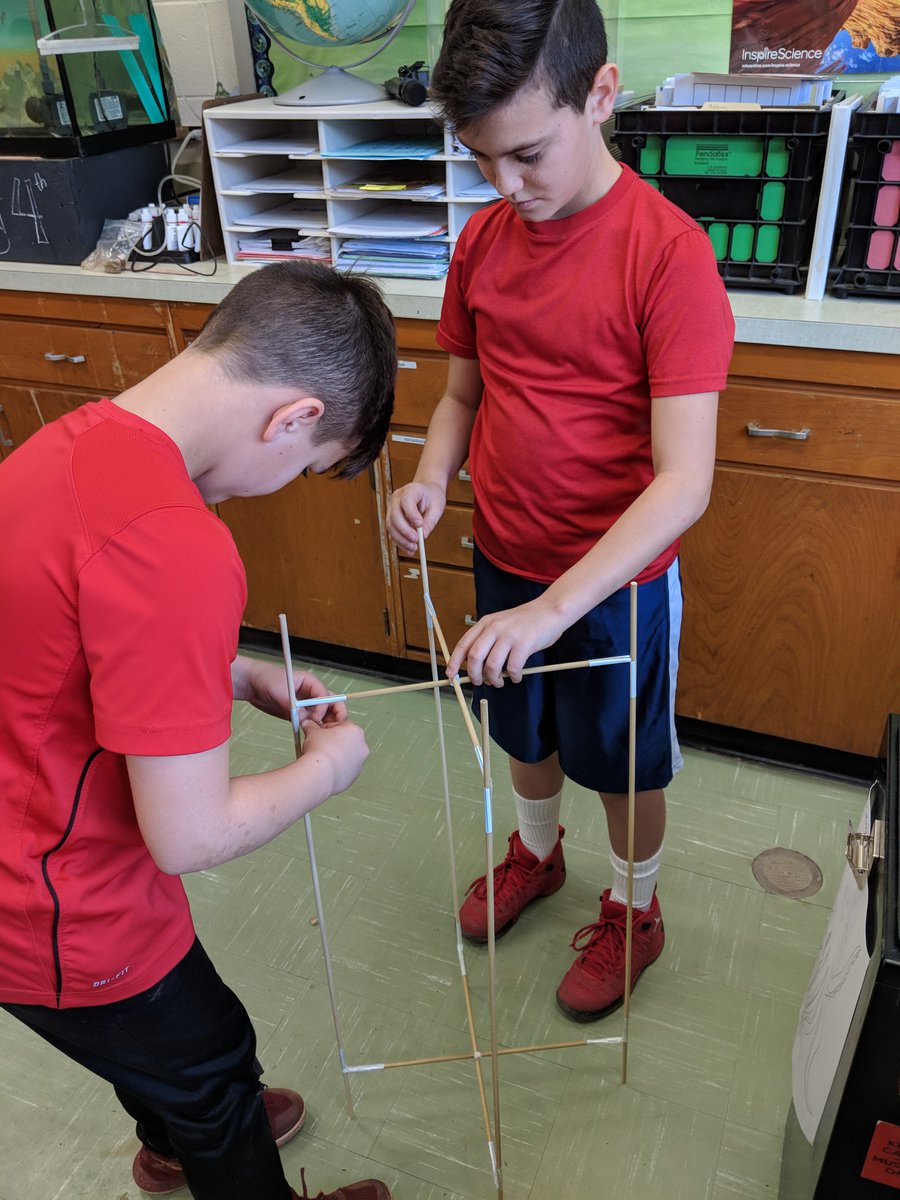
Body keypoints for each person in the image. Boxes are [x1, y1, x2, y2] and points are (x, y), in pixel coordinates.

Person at [0, 262, 397, 1200]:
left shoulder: (68, 446)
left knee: (162, 1052)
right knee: (216, 1065)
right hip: (60, 906)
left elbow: (67, 636)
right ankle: (200, 1142)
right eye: (302, 466)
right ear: (292, 416)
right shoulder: (177, 542)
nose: (280, 484)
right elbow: (190, 833)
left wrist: (237, 674)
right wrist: (327, 771)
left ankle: (171, 1137)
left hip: (24, 842)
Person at [387, 0, 735, 1023]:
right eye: (480, 159)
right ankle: (537, 855)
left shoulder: (668, 257)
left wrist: (552, 609)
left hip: (614, 587)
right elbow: (462, 395)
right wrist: (430, 480)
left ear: (602, 94)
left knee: (619, 762)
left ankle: (636, 910)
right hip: (506, 554)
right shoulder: (486, 241)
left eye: (528, 154)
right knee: (523, 730)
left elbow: (684, 482)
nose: (504, 186)